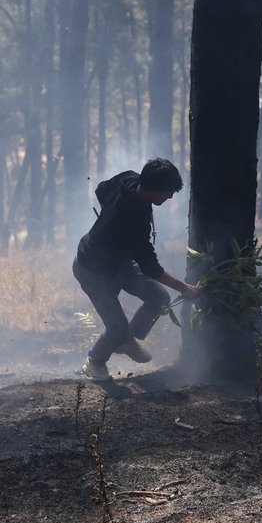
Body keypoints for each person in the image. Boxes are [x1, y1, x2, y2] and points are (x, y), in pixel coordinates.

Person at [72, 158, 201, 379]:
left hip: (120, 263)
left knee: (159, 298)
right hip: (93, 271)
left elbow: (102, 189)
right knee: (116, 328)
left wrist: (108, 220)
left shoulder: (129, 178)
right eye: (168, 193)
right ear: (155, 191)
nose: (170, 197)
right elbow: (150, 267)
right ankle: (95, 362)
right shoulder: (133, 221)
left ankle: (126, 340)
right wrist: (184, 288)